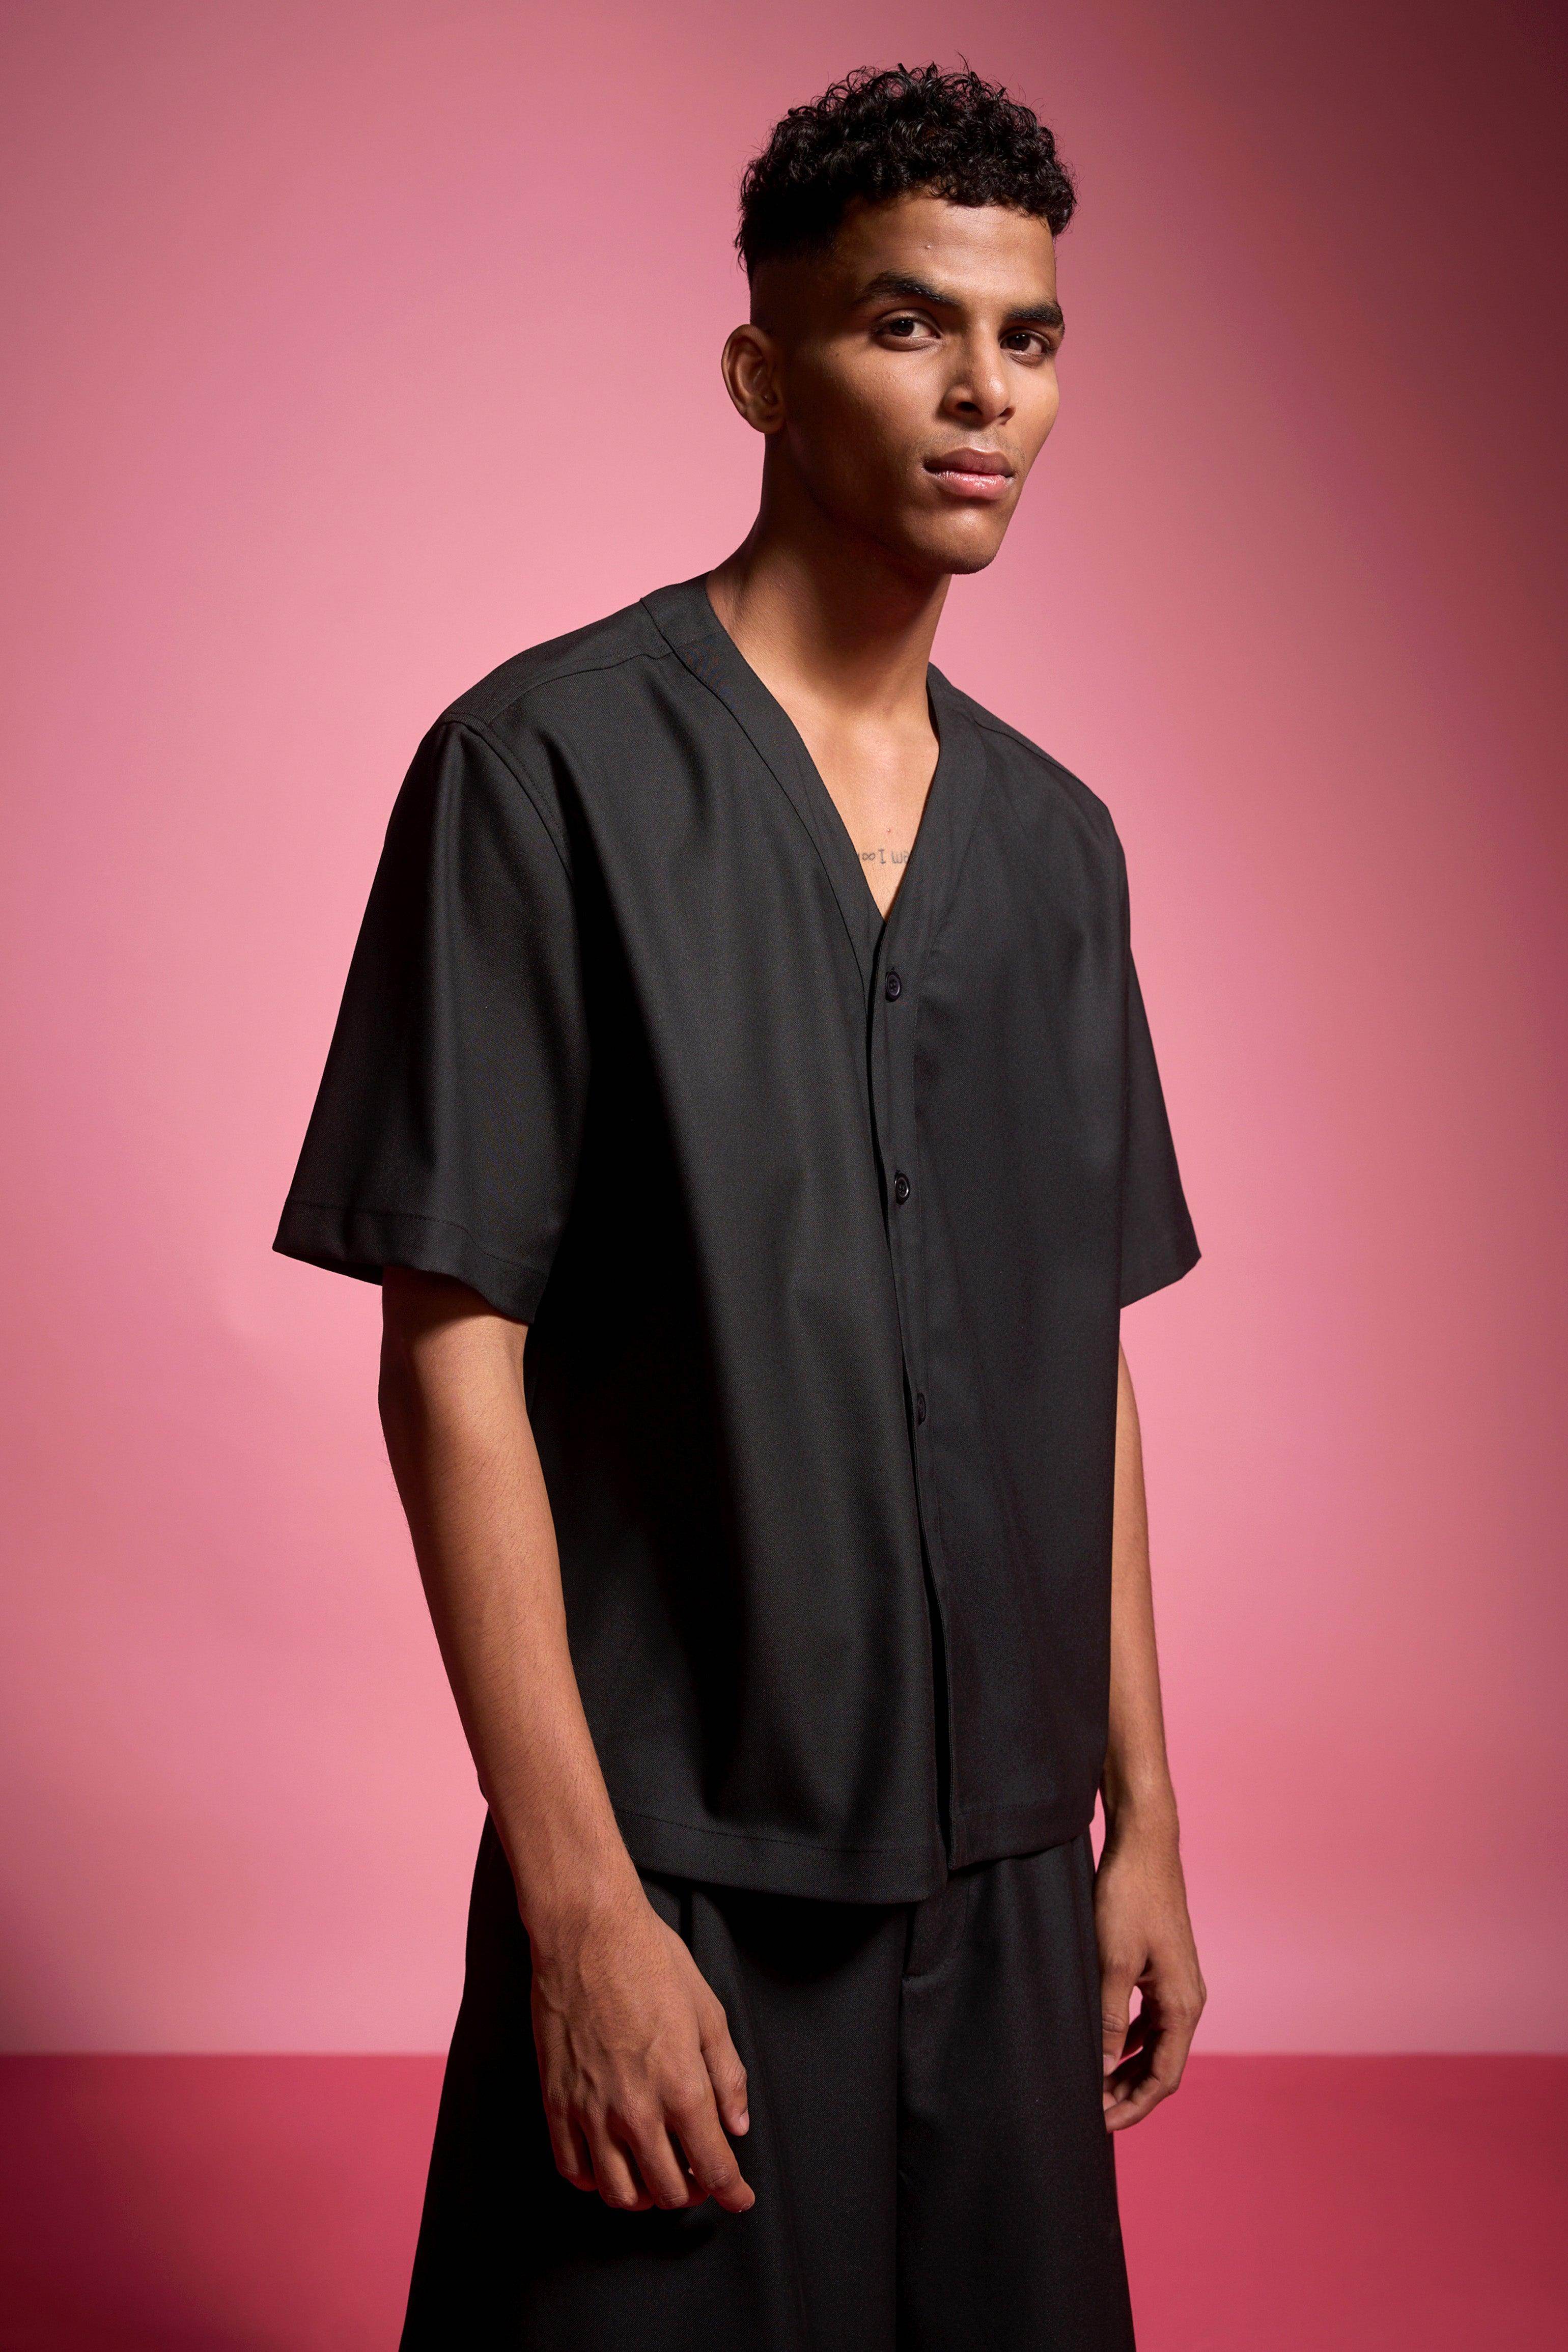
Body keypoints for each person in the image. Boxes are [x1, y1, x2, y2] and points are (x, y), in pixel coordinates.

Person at [274, 61, 1206, 2352]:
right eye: (907, 325)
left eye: (1029, 337)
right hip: (677, 1875)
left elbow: (1073, 1357)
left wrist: (1142, 1827)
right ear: (758, 370)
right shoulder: (542, 773)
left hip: (1006, 1893)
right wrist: (580, 1912)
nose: (985, 392)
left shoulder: (1060, 851)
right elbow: (450, 1358)